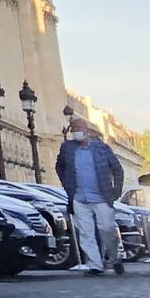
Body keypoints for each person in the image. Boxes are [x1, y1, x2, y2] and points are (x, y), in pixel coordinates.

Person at [54, 112, 126, 275]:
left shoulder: (101, 147)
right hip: (79, 197)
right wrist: (68, 186)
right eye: (73, 129)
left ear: (87, 129)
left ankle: (115, 258)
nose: (75, 132)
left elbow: (117, 169)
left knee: (107, 229)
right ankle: (95, 265)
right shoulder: (67, 147)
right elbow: (60, 167)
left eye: (78, 128)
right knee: (86, 233)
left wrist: (116, 191)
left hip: (102, 196)